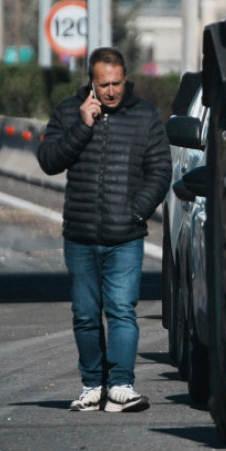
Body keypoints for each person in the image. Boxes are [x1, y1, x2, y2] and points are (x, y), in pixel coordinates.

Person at [38, 47, 172, 412]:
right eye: (104, 84)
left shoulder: (145, 117)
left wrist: (137, 212)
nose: (111, 91)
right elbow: (49, 161)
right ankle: (92, 385)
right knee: (84, 313)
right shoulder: (69, 112)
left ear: (125, 80)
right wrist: (83, 126)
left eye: (117, 83)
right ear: (91, 83)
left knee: (121, 311)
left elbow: (160, 171)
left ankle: (121, 386)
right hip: (80, 235)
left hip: (125, 236)